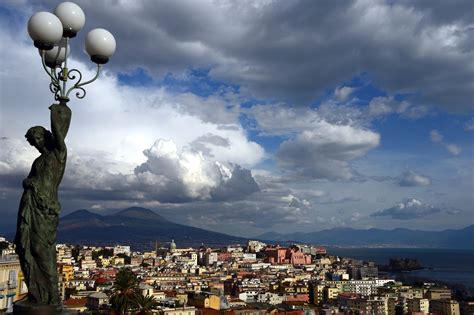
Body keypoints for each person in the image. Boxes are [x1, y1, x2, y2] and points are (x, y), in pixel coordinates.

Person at [15, 102, 71, 307]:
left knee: (41, 249)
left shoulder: (58, 155)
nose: (36, 143)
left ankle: (52, 297)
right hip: (30, 206)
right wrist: (29, 183)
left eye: (38, 138)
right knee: (25, 246)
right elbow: (29, 180)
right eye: (32, 141)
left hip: (46, 208)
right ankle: (37, 293)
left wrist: (58, 110)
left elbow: (60, 133)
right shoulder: (37, 162)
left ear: (45, 136)